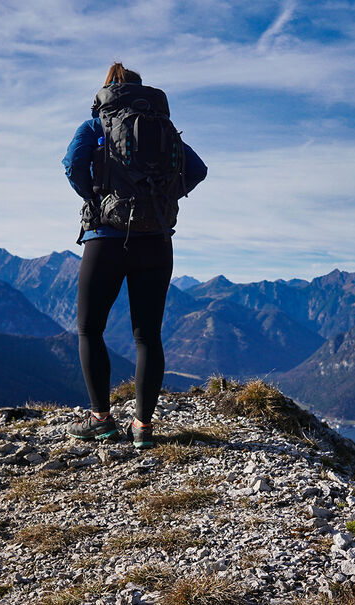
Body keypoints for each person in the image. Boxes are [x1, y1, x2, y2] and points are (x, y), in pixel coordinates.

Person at [61, 62, 207, 448]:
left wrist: (94, 198)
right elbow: (198, 169)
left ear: (107, 90)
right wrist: (162, 197)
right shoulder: (165, 128)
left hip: (105, 238)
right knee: (148, 336)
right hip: (156, 239)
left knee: (90, 328)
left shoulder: (96, 125)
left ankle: (101, 420)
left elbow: (72, 165)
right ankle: (142, 428)